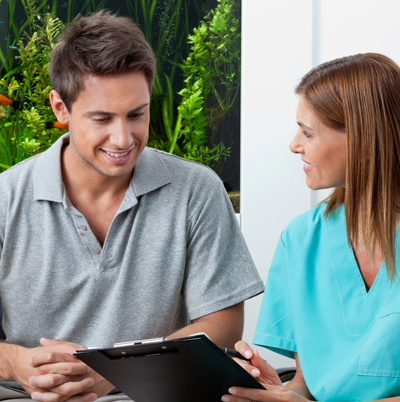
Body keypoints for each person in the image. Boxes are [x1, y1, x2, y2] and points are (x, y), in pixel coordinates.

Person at [0, 10, 264, 402]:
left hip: (152, 396)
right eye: (102, 118)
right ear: (60, 109)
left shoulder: (197, 189)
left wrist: (113, 371)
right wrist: (17, 364)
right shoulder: (6, 197)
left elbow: (222, 323)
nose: (123, 139)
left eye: (136, 114)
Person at [222, 53, 400, 402]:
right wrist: (280, 392)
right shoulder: (301, 239)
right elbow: (310, 380)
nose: (294, 145)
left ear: (364, 140)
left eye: (308, 132)